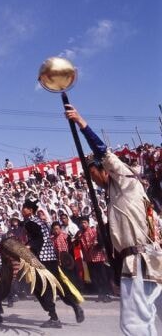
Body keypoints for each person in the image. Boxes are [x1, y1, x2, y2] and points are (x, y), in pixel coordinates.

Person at [66, 104, 162, 335]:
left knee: (135, 324)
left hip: (140, 261)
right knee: (149, 318)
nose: (94, 176)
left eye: (95, 170)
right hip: (146, 259)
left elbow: (103, 151)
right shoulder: (119, 194)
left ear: (108, 171)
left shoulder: (125, 178)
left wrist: (80, 122)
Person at [22, 199, 84, 328]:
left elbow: (37, 239)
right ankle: (75, 305)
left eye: (25, 208)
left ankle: (54, 318)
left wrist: (28, 247)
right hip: (51, 259)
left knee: (41, 288)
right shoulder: (41, 221)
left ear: (30, 210)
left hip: (41, 260)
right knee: (59, 285)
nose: (23, 210)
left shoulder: (30, 223)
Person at [75, 216, 111, 302]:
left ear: (88, 223)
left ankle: (106, 294)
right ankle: (100, 294)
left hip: (98, 257)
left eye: (85, 223)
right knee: (94, 277)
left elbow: (101, 242)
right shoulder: (80, 234)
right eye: (81, 223)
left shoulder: (94, 231)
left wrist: (98, 244)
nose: (83, 224)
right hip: (89, 258)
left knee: (102, 276)